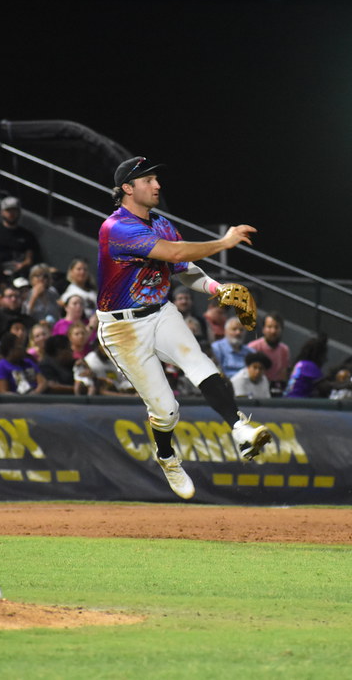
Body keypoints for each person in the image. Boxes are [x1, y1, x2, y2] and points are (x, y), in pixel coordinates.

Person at [95, 156, 270, 499]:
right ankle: (166, 456)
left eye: (156, 179)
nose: (157, 185)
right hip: (123, 328)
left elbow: (184, 269)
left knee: (200, 363)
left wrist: (217, 289)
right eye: (147, 180)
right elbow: (173, 253)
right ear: (127, 189)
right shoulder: (116, 227)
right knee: (165, 410)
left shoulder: (160, 223)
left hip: (160, 312)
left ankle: (240, 428)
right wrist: (223, 243)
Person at [0, 196, 39, 279]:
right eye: (8, 210)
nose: (11, 214)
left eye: (14, 210)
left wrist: (22, 265)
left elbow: (29, 259)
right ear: (2, 212)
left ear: (19, 212)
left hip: (20, 272)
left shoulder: (27, 235)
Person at [247, 311, 290, 394]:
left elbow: (283, 375)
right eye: (269, 327)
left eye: (276, 327)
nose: (273, 331)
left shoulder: (285, 349)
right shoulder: (253, 347)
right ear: (263, 329)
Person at [284, 334, 331, 398]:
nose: (325, 359)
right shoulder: (310, 366)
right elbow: (324, 387)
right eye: (324, 355)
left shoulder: (301, 364)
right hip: (296, 403)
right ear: (318, 354)